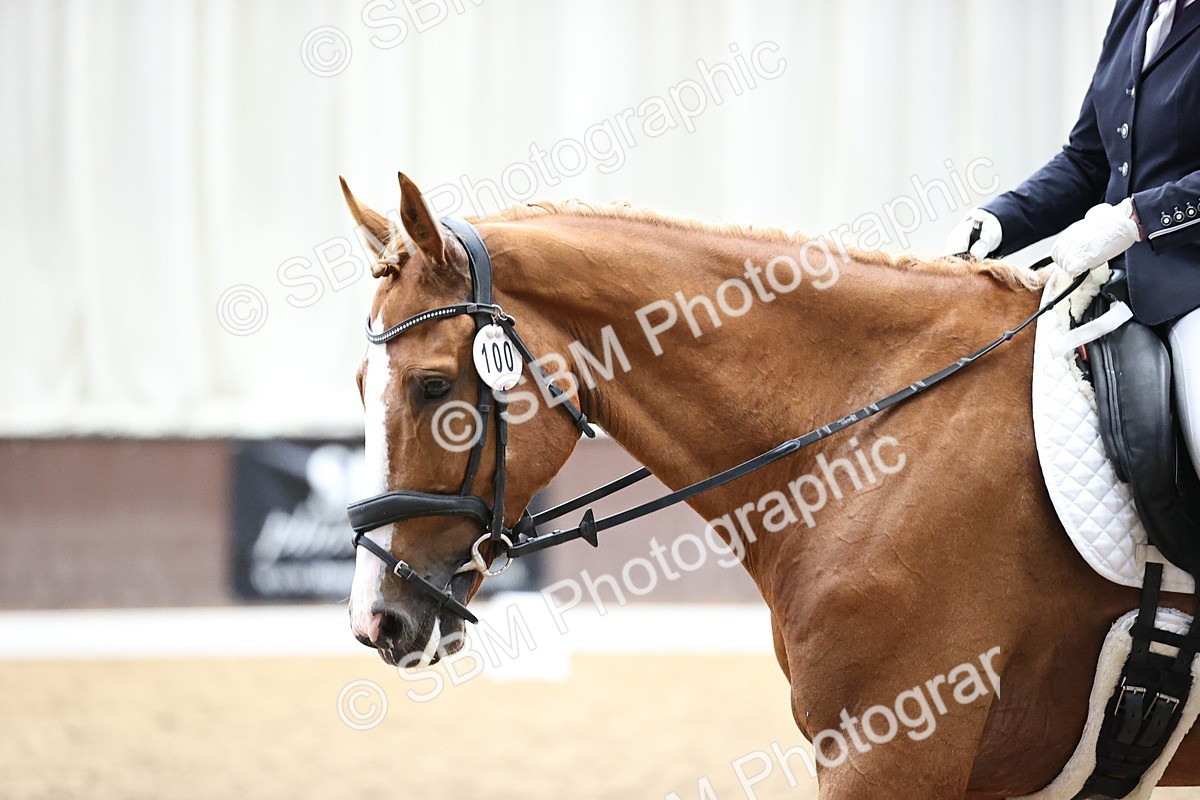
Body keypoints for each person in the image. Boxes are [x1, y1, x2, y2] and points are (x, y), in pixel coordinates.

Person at [945, 0, 1200, 474]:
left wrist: (1137, 219)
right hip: (1112, 281)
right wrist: (1001, 219)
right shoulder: (1135, 9)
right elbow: (1089, 159)